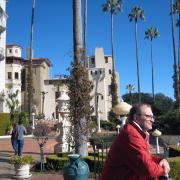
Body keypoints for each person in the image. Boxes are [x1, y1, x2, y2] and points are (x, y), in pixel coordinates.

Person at [101, 103, 170, 180]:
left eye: (152, 117)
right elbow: (148, 170)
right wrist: (164, 170)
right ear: (136, 117)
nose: (152, 120)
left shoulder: (139, 133)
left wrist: (161, 160)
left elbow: (145, 157)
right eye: (148, 116)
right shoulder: (131, 134)